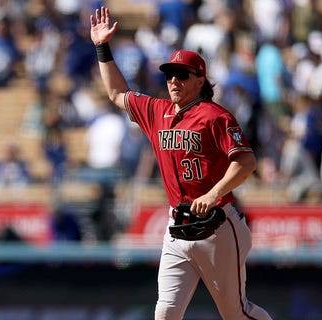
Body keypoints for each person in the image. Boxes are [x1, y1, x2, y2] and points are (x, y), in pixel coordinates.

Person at [89, 7, 271, 320]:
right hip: (177, 226)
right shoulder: (157, 111)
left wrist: (214, 193)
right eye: (169, 74)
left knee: (235, 313)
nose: (173, 80)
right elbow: (117, 92)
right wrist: (102, 47)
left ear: (200, 79)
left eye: (182, 74)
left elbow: (246, 161)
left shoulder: (216, 116)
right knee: (166, 313)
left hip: (218, 225)